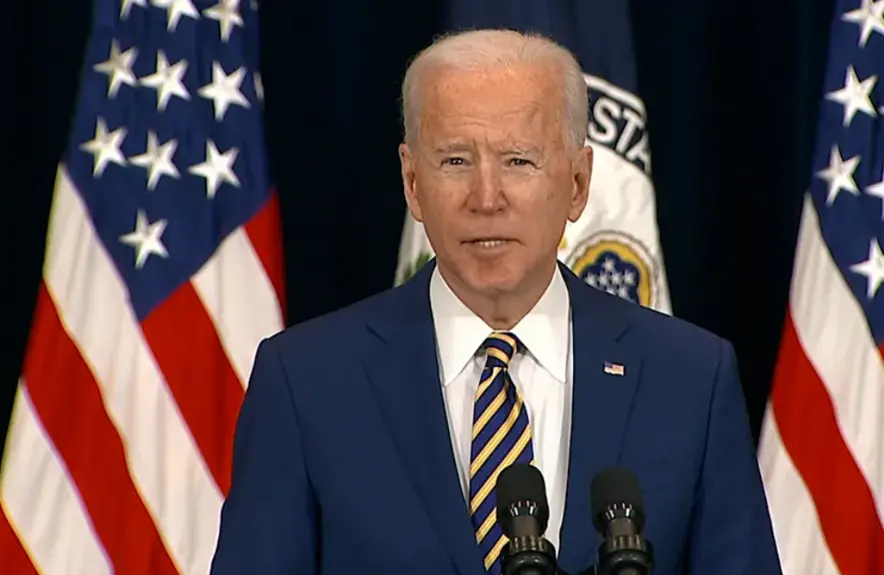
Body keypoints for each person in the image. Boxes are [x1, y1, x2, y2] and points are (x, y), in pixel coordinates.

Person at [209, 28, 782, 575]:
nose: (487, 198)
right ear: (412, 182)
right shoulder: (306, 381)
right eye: (455, 160)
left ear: (578, 183)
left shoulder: (689, 379)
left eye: (519, 161)